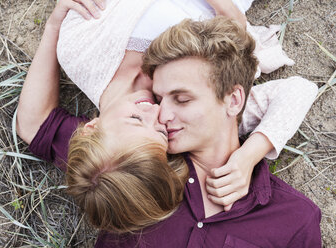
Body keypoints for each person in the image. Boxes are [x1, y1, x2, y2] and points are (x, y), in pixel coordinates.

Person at [16, 0, 318, 234]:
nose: (155, 111)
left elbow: (31, 124)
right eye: (161, 133)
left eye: (135, 118)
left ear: (89, 127)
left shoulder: (77, 50)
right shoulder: (192, 114)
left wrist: (54, 25)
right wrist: (248, 157)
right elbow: (296, 92)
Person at [95, 16, 321, 247]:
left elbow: (300, 89)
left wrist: (248, 156)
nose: (161, 115)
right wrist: (54, 25)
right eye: (159, 99)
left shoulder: (295, 218)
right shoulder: (127, 160)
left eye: (182, 100)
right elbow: (55, 123)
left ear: (233, 101)